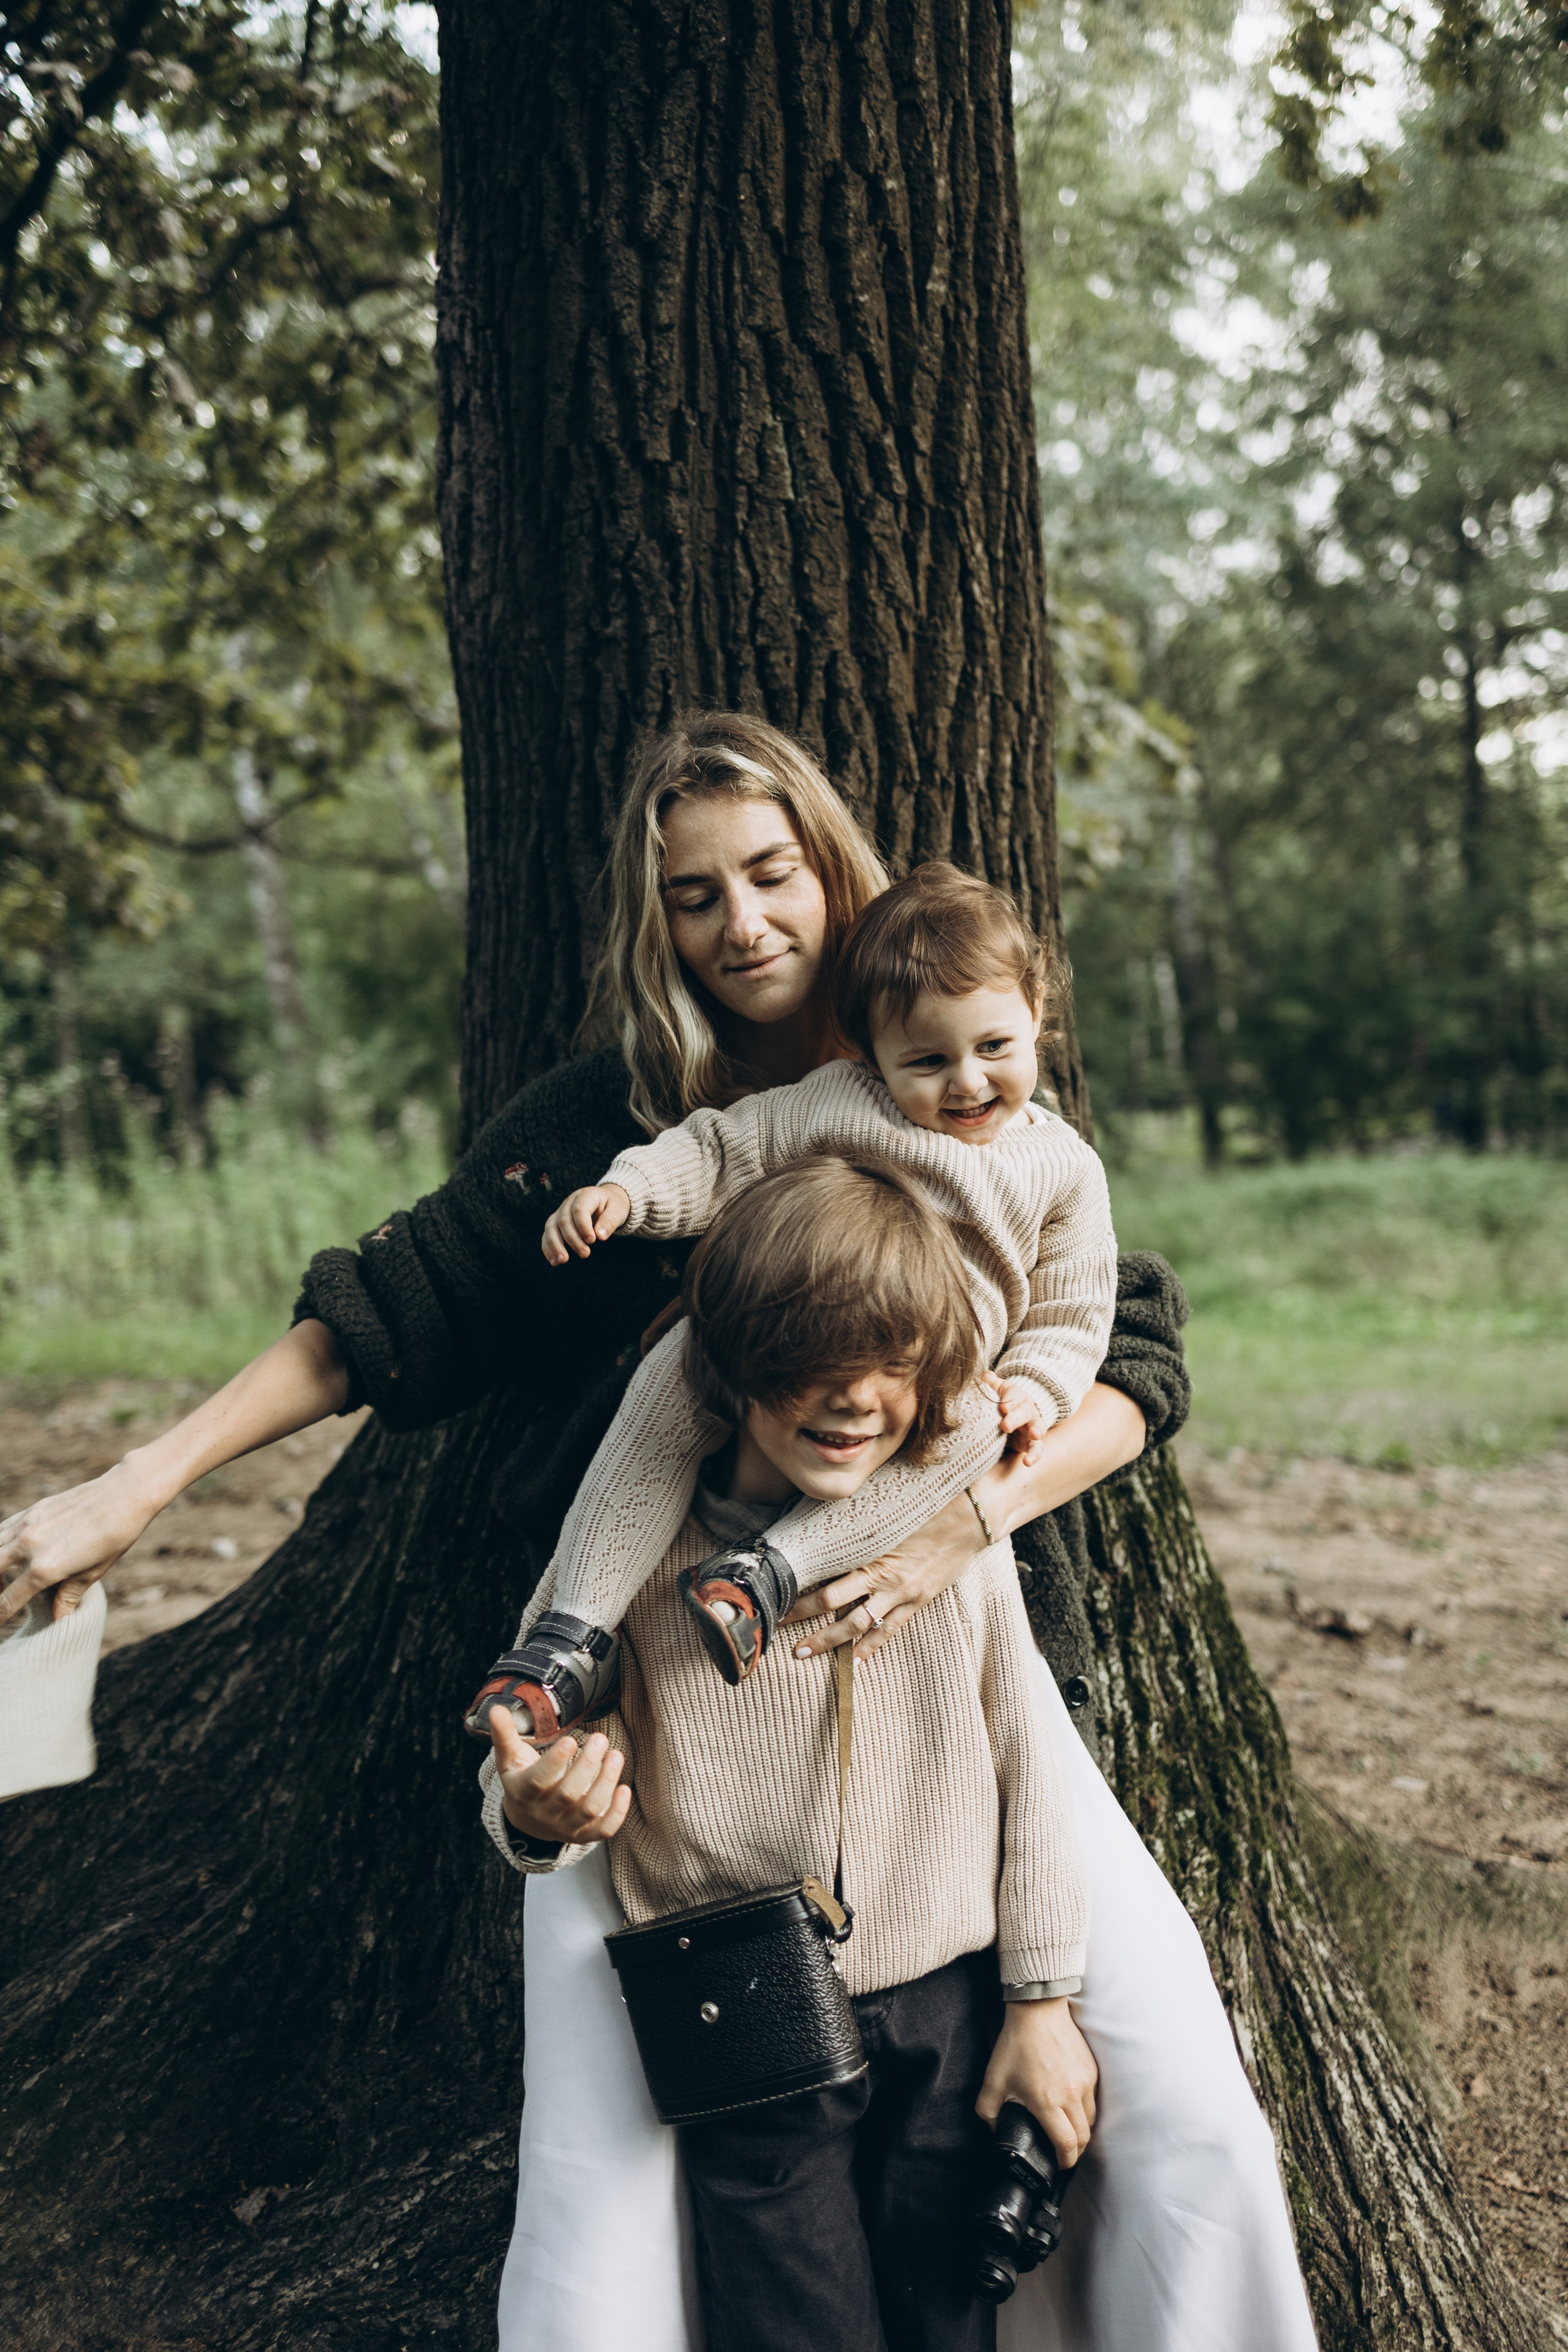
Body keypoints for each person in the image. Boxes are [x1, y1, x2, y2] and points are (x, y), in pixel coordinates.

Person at [0, 711, 1316, 2350]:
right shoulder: (618, 1122)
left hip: (943, 1653)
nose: (742, 923)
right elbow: (394, 1310)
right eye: (696, 897)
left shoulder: (952, 1063)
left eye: (771, 873)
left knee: (1172, 2111)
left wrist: (954, 1525)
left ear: (834, 871)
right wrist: (137, 1483)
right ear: (657, 923)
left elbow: (1126, 1351)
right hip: (669, 1673)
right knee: (610, 2207)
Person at [486, 1153, 1096, 2352]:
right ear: (726, 1369)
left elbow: (1031, 1759)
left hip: (948, 2003)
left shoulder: (944, 1539)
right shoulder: (629, 1558)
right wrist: (533, 1810)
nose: (855, 1400)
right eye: (811, 1365)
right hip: (741, 2010)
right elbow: (525, 1751)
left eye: (891, 1366)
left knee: (949, 2315)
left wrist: (1042, 2002)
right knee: (793, 2328)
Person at [469, 861, 1118, 1740]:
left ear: (1036, 1012)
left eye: (994, 1048)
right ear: (868, 1049)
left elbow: (1073, 1313)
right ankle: (571, 1632)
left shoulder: (1063, 1169)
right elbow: (722, 1149)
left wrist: (1036, 1392)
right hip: (780, 1337)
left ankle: (768, 1572)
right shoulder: (841, 1103)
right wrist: (628, 1193)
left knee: (978, 1425)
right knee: (672, 1375)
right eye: (927, 1061)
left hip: (927, 1375)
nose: (967, 1083)